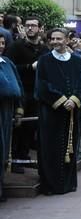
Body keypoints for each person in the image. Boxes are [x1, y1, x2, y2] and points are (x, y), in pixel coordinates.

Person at [35, 28, 81, 195]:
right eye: (53, 39)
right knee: (50, 148)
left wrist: (74, 100)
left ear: (66, 40)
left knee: (69, 148)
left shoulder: (77, 60)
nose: (55, 41)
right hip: (51, 113)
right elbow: (42, 86)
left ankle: (68, 184)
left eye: (59, 38)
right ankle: (50, 185)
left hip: (71, 113)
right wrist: (63, 100)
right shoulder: (44, 60)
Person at [6, 16, 48, 172]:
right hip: (20, 92)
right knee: (18, 125)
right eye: (27, 25)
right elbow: (9, 68)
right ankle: (14, 160)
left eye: (34, 26)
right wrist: (30, 67)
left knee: (31, 127)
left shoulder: (44, 49)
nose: (30, 28)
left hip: (37, 93)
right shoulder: (16, 47)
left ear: (40, 28)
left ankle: (23, 156)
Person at [0, 35, 24, 201]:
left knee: (3, 151)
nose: (1, 46)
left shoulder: (7, 62)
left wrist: (19, 108)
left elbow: (18, 87)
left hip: (7, 111)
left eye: (2, 43)